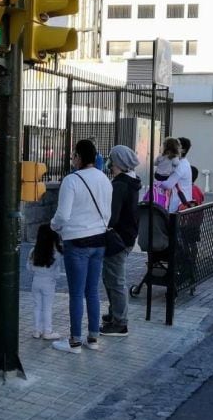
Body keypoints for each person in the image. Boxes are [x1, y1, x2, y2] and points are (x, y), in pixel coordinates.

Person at [50, 139, 112, 354]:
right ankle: (93, 338)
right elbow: (107, 212)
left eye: (73, 155)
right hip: (99, 239)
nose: (72, 159)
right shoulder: (105, 179)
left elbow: (63, 215)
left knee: (76, 293)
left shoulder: (71, 180)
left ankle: (74, 341)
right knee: (92, 291)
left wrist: (53, 225)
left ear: (78, 156)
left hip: (76, 240)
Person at [100, 145, 142, 337]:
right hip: (128, 236)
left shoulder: (119, 185)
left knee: (114, 280)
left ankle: (120, 322)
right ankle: (114, 313)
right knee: (111, 277)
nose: (109, 163)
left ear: (118, 162)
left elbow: (112, 216)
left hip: (117, 238)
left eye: (111, 159)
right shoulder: (132, 181)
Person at [28, 224, 62, 341]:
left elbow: (29, 268)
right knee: (47, 307)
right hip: (49, 283)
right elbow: (57, 272)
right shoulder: (55, 253)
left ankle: (36, 330)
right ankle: (47, 331)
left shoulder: (33, 251)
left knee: (37, 306)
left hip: (36, 281)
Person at [156, 137, 193, 213]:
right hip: (180, 203)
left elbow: (168, 184)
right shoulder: (182, 162)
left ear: (183, 150)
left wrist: (156, 183)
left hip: (178, 205)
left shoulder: (181, 165)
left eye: (177, 146)